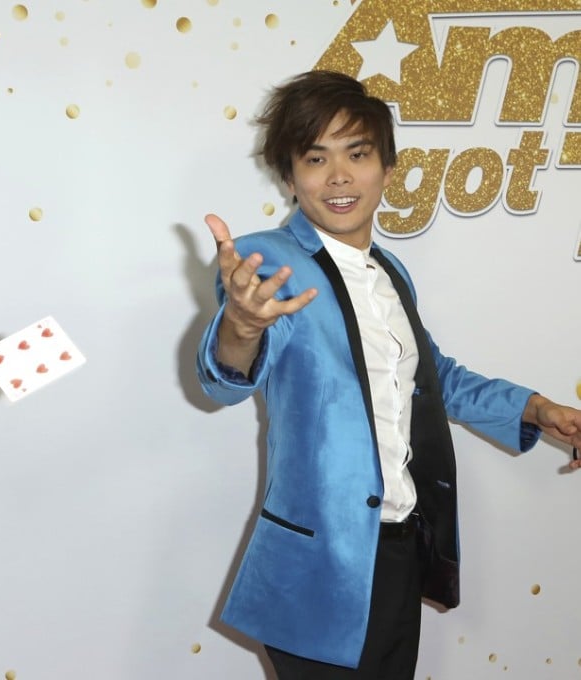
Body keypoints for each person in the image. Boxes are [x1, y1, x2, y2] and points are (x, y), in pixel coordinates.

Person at [196, 70, 581, 679]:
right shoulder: (265, 263)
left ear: (387, 168)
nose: (339, 176)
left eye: (357, 153)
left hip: (400, 546)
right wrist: (241, 326)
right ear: (290, 176)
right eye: (315, 158)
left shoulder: (389, 271)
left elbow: (434, 377)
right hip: (320, 564)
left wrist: (536, 409)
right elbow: (224, 378)